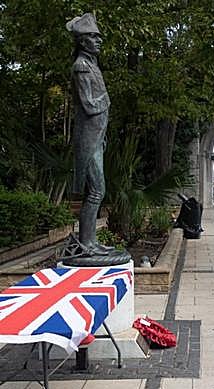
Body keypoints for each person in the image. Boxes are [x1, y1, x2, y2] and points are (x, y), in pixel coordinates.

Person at [66, 13, 112, 255]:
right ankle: (86, 244)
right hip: (88, 137)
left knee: (97, 191)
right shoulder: (81, 67)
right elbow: (89, 105)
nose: (99, 41)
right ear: (83, 42)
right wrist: (108, 101)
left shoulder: (92, 65)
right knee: (96, 191)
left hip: (97, 136)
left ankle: (90, 242)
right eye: (94, 37)